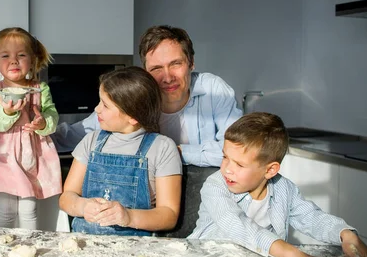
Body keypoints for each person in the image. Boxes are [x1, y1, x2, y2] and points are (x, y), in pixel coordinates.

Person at [188, 112, 367, 257]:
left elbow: (311, 217)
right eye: (225, 157)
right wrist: (293, 254)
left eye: (239, 164)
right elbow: (237, 225)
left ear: (270, 170)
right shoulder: (215, 185)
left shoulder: (284, 188)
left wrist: (345, 234)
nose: (227, 169)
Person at [52, 25, 242, 167]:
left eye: (175, 64)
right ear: (146, 71)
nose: (167, 77)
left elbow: (239, 150)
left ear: (191, 63)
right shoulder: (136, 96)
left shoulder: (213, 89)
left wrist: (175, 152)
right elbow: (75, 134)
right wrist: (31, 136)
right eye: (157, 68)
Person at [59, 66, 183, 236]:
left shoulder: (162, 148)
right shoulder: (91, 141)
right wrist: (82, 206)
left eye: (105, 105)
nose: (97, 109)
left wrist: (128, 217)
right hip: (85, 242)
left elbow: (169, 215)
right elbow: (67, 197)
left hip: (136, 250)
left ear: (133, 117)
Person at [0, 21, 61, 229]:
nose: (14, 61)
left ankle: (28, 252)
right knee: (6, 211)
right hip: (1, 157)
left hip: (31, 157)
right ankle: (1, 256)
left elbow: (52, 118)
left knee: (29, 210)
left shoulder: (41, 89)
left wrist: (42, 123)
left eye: (21, 55)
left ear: (32, 59)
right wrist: (8, 112)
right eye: (5, 56)